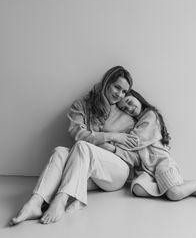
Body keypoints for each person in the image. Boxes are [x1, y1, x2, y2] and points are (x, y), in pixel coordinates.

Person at [10, 66, 139, 225]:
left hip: (116, 174)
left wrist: (111, 147)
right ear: (107, 83)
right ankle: (35, 202)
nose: (120, 95)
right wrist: (113, 136)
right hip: (89, 171)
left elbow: (134, 156)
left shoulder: (127, 117)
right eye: (117, 87)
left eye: (124, 92)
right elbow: (78, 133)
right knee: (60, 151)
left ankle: (61, 199)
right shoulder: (81, 105)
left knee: (82, 146)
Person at [102, 90, 196, 201]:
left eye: (129, 102)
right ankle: (185, 188)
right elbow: (134, 156)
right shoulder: (133, 124)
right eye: (124, 109)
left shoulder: (150, 115)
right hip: (145, 169)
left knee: (174, 195)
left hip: (160, 163)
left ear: (136, 97)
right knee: (137, 189)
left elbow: (135, 141)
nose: (129, 108)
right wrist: (114, 150)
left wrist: (112, 140)